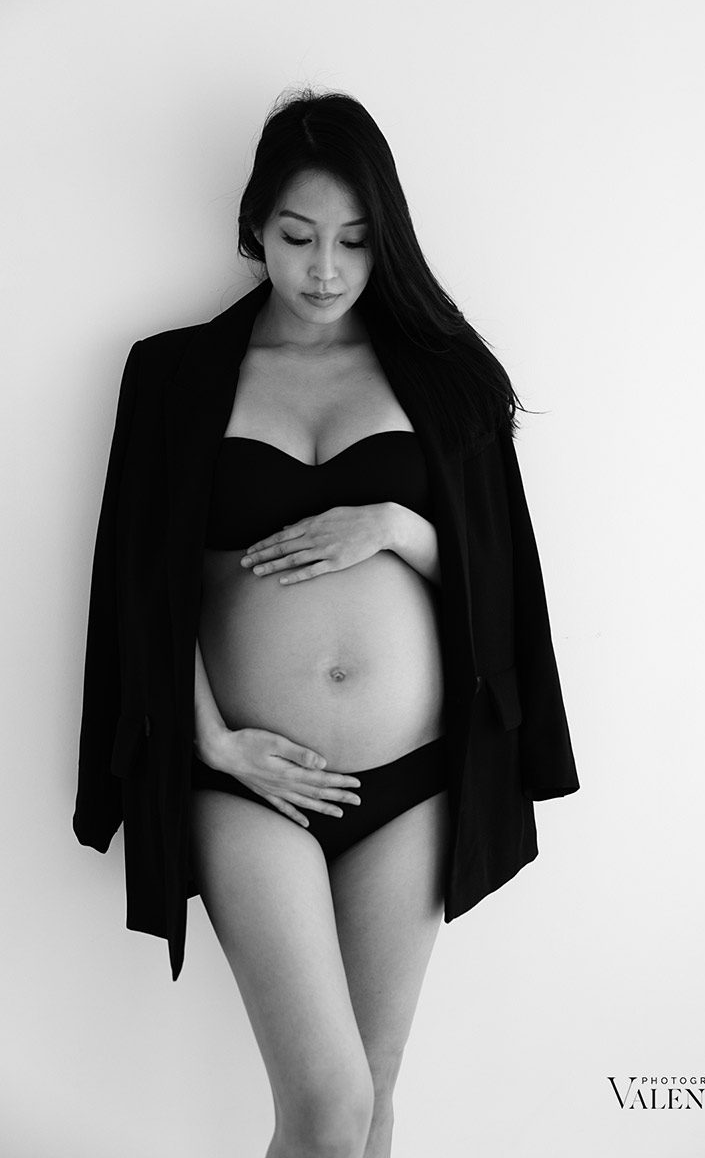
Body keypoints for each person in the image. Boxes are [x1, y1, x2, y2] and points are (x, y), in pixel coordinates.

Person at [73, 87, 580, 1158]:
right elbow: (140, 579)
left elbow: (499, 577)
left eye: (354, 241)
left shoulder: (438, 379)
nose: (324, 269)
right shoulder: (171, 377)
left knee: (374, 1096)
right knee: (326, 1106)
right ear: (254, 225)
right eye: (299, 237)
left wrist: (397, 525)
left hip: (411, 779)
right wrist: (208, 738)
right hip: (249, 774)